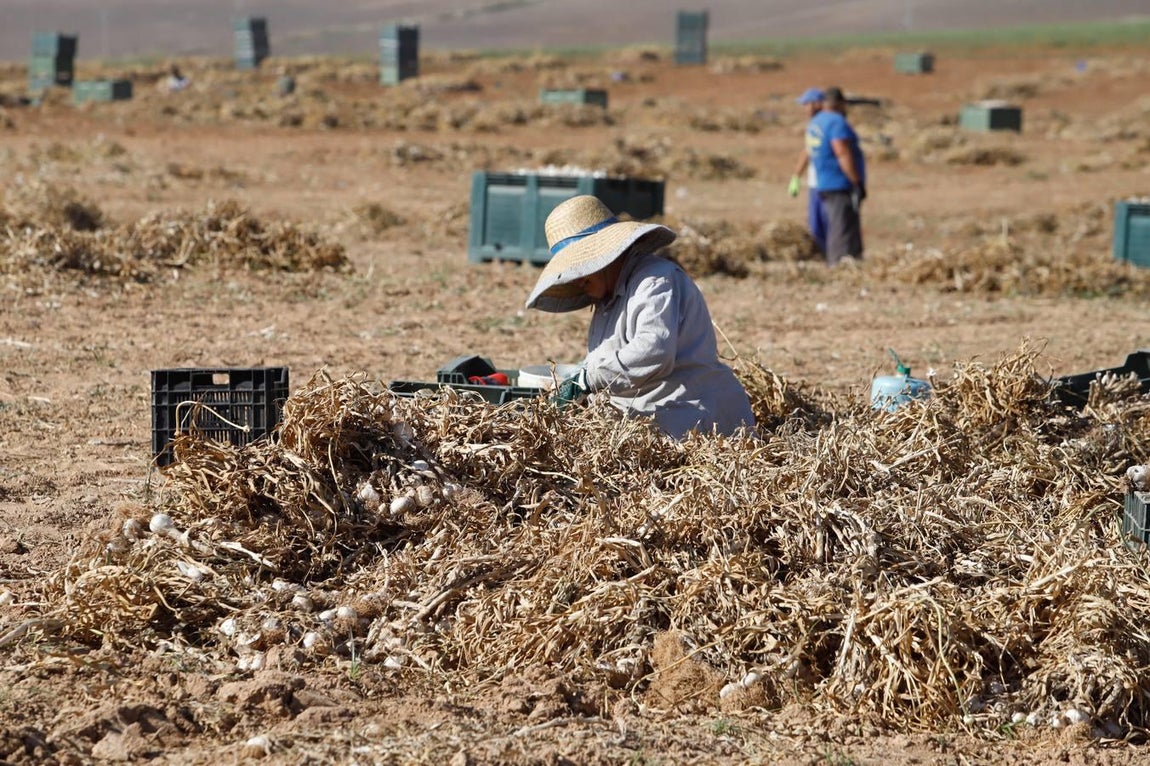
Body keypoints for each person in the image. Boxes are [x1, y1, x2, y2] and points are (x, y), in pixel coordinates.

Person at [525, 195, 756, 439]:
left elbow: (654, 351)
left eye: (581, 265)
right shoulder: (607, 300)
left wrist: (587, 379)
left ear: (607, 254)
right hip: (646, 416)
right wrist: (579, 380)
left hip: (694, 417)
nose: (576, 279)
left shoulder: (655, 281)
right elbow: (606, 364)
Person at [806, 86, 866, 265]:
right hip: (838, 182)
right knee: (842, 227)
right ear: (840, 104)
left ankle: (844, 261)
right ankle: (840, 265)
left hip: (823, 181)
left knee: (835, 224)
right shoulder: (836, 122)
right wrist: (856, 181)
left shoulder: (816, 122)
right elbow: (841, 151)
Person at [789, 87, 827, 255]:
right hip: (814, 183)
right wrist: (796, 176)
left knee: (828, 222)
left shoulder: (825, 124)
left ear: (817, 104)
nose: (805, 109)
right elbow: (807, 150)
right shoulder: (812, 125)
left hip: (827, 183)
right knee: (815, 223)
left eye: (807, 104)